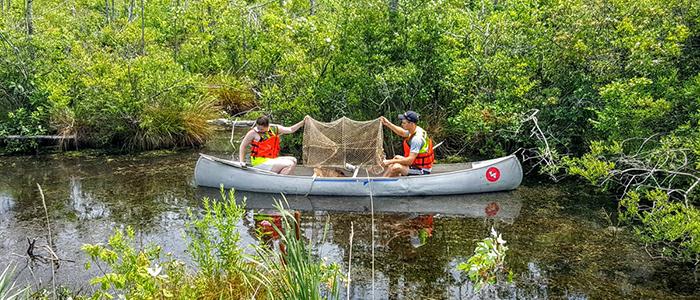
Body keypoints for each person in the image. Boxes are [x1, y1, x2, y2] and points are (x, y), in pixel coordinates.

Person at [239, 115, 306, 175]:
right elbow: (243, 146)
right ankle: (279, 182)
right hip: (259, 162)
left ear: (268, 126)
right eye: (258, 128)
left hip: (270, 160)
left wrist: (302, 122)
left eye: (261, 129)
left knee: (294, 160)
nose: (259, 130)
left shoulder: (274, 129)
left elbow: (290, 129)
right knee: (289, 164)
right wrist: (241, 161)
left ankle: (280, 177)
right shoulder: (252, 133)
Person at [379, 111, 434, 177]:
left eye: (404, 123)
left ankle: (384, 184)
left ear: (411, 124)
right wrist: (388, 124)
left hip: (422, 170)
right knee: (396, 158)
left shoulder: (417, 139)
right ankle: (383, 180)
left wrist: (389, 161)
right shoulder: (414, 130)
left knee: (396, 167)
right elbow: (402, 133)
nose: (402, 124)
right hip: (415, 164)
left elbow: (409, 161)